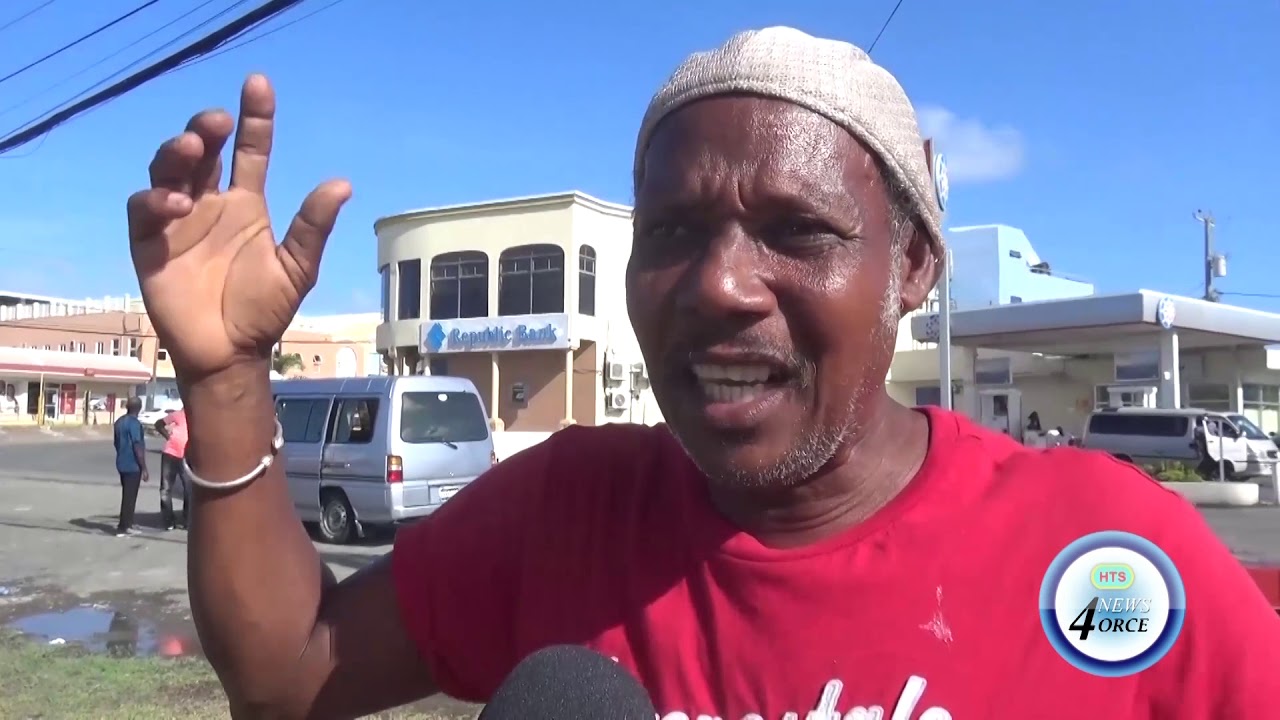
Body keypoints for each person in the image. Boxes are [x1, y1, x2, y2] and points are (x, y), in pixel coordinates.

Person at [126, 27, 1280, 720]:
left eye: (797, 229)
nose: (719, 284)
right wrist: (225, 376)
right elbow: (285, 682)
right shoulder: (563, 512)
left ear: (912, 265)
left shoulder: (1107, 556)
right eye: (672, 231)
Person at [112, 397, 148, 537]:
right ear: (139, 408)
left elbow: (116, 442)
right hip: (133, 465)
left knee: (127, 494)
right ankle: (124, 527)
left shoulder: (119, 422)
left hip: (121, 462)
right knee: (130, 496)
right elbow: (137, 446)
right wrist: (144, 467)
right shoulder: (134, 424)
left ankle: (127, 522)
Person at [155, 408, 191, 530]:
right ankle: (168, 520)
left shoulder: (196, 415)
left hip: (186, 455)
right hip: (170, 453)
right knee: (165, 488)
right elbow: (159, 424)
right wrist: (168, 436)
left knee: (189, 488)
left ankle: (187, 519)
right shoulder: (177, 415)